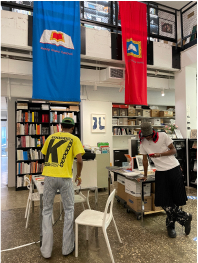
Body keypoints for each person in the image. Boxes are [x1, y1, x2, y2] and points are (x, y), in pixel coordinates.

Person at [40, 117, 85, 258]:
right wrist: (78, 175)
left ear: (60, 126)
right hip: (65, 178)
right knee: (69, 209)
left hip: (49, 177)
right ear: (72, 128)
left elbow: (45, 155)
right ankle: (67, 248)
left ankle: (46, 251)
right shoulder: (74, 139)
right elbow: (79, 160)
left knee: (47, 210)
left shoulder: (50, 137)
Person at [138, 122, 192, 238]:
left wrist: (159, 155)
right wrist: (145, 175)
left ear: (153, 131)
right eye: (145, 135)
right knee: (163, 201)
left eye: (149, 135)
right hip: (161, 172)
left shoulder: (163, 136)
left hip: (173, 169)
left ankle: (170, 226)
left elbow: (173, 151)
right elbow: (145, 160)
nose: (148, 137)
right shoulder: (142, 143)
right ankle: (185, 217)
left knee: (174, 200)